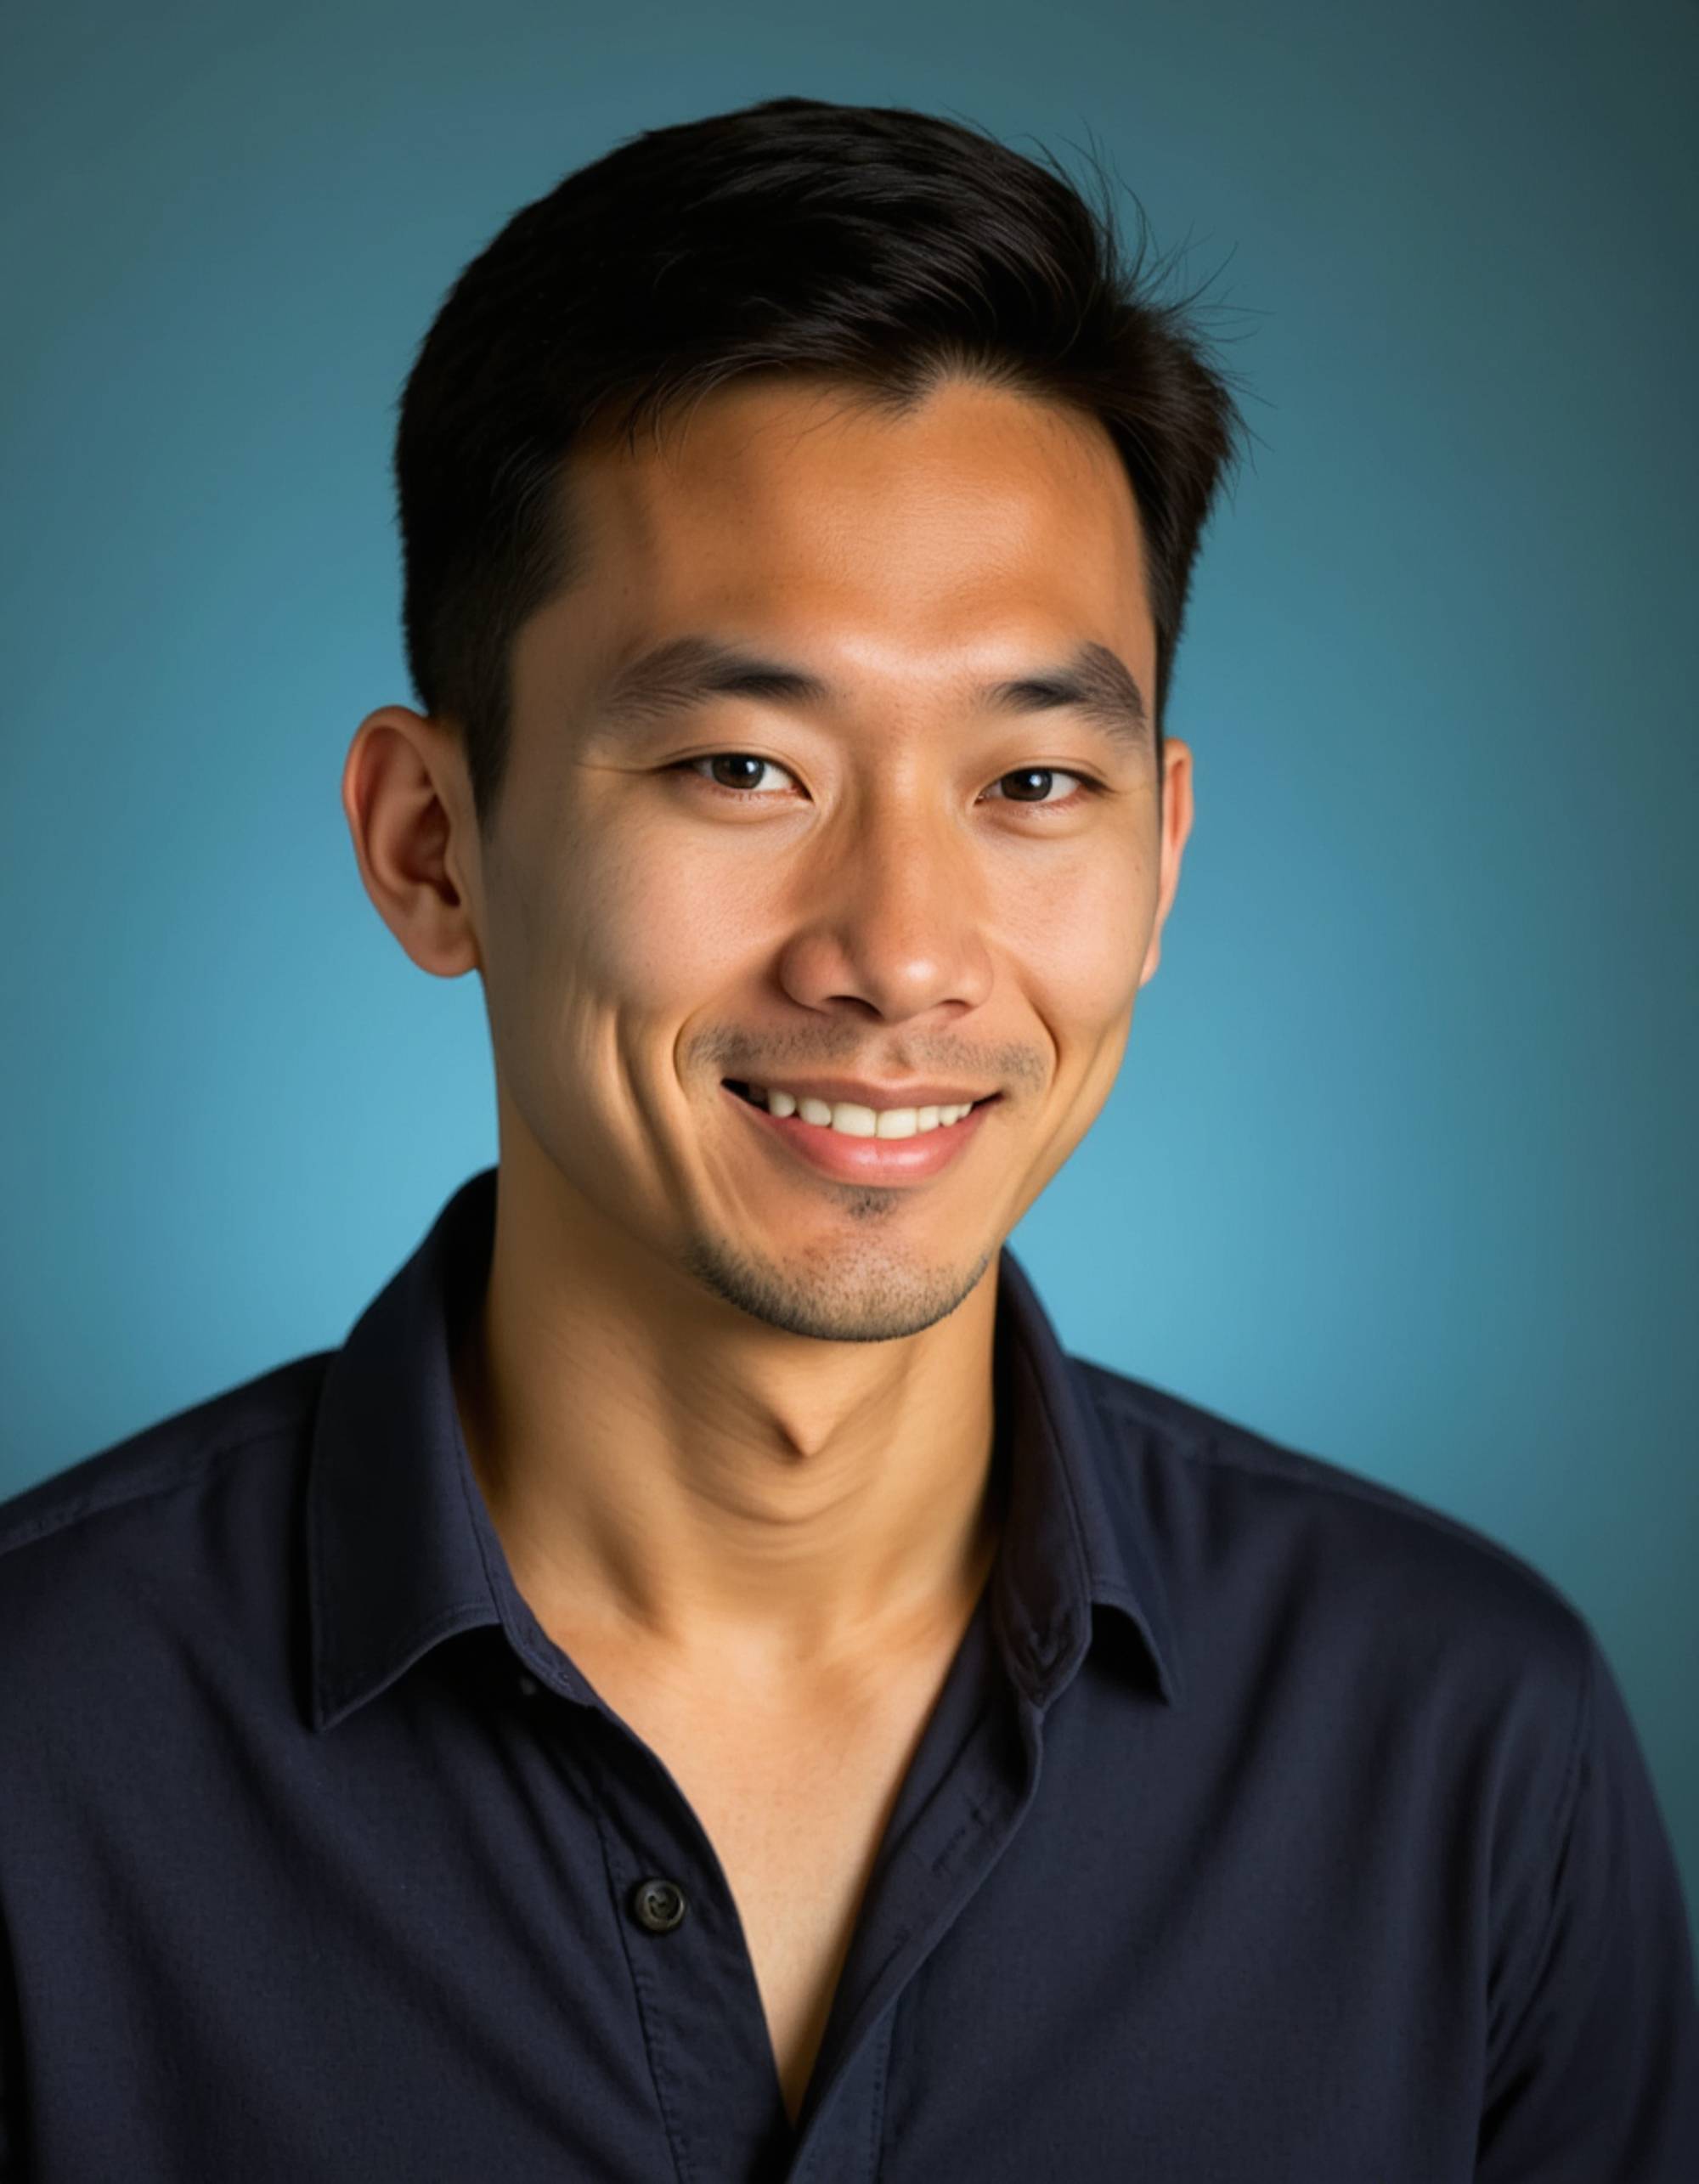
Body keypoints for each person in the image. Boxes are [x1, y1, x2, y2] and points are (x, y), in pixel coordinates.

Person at [1, 94, 1693, 2184]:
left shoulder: (1463, 1743)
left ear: (1161, 858)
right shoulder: (33, 1753)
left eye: (1032, 784)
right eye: (741, 762)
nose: (901, 955)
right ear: (431, 844)